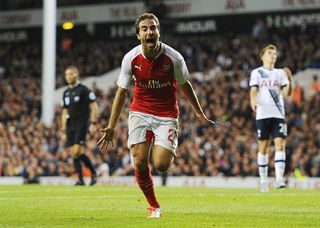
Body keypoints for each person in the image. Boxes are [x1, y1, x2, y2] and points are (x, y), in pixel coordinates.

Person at [97, 13, 214, 218]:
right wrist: (112, 126)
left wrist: (199, 112)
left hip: (167, 114)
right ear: (138, 35)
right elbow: (121, 92)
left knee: (161, 165)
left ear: (159, 32)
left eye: (153, 28)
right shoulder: (130, 58)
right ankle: (154, 206)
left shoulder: (174, 58)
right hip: (140, 111)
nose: (149, 31)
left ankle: (158, 142)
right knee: (140, 162)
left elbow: (185, 85)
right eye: (145, 29)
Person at [249, 44, 292, 192]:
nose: (272, 55)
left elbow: (287, 94)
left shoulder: (281, 73)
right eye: (269, 53)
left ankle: (279, 179)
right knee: (263, 147)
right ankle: (263, 180)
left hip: (278, 114)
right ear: (263, 56)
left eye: (274, 53)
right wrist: (253, 102)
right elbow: (253, 90)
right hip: (263, 114)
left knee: (280, 145)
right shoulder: (257, 73)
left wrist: (290, 82)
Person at [61, 65, 98, 186]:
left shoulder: (83, 90)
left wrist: (93, 123)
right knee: (73, 153)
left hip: (82, 123)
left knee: (77, 150)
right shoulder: (66, 93)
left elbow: (94, 106)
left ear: (76, 75)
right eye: (66, 74)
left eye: (71, 74)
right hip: (70, 125)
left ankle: (93, 172)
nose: (68, 76)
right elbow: (64, 112)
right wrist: (63, 130)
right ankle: (81, 180)